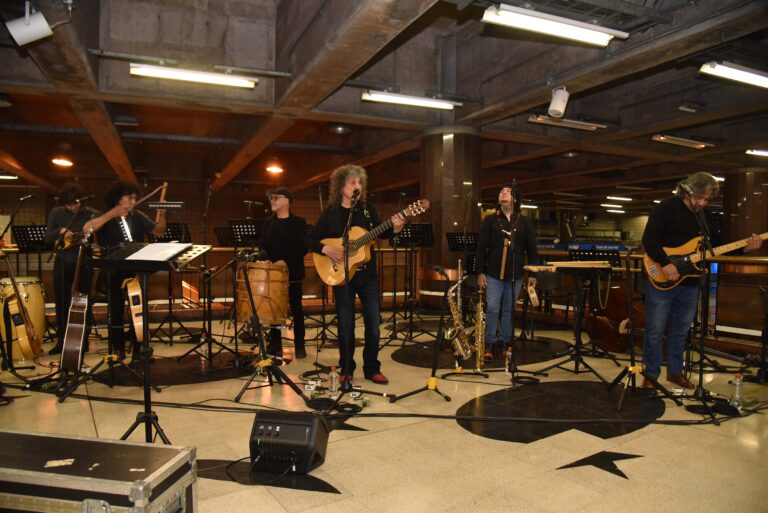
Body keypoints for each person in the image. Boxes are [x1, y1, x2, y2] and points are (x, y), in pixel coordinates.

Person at [642, 172, 763, 389]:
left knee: (681, 331)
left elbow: (717, 248)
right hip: (662, 276)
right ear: (689, 192)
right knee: (655, 330)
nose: (704, 202)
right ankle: (650, 376)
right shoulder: (666, 207)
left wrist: (745, 247)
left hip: (690, 282)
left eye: (707, 199)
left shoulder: (704, 216)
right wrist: (665, 263)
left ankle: (675, 372)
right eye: (701, 197)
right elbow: (649, 238)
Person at [307, 165, 404, 384]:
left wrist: (396, 227)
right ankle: (346, 369)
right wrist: (327, 249)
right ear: (341, 187)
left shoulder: (368, 210)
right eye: (352, 182)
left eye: (360, 182)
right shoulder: (331, 212)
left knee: (373, 324)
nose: (357, 186)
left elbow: (384, 231)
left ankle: (372, 368)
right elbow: (310, 239)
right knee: (345, 325)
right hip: (342, 277)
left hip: (368, 276)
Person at [83, 181, 166, 362]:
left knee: (139, 309)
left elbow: (159, 231)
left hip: (136, 266)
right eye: (129, 197)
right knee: (116, 309)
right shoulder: (102, 215)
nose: (133, 201)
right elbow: (87, 229)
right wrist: (113, 213)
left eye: (135, 198)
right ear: (117, 198)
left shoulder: (138, 216)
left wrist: (163, 213)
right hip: (113, 268)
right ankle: (118, 348)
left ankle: (139, 350)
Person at [476, 184, 538, 360]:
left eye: (508, 192)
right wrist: (480, 272)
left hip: (515, 275)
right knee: (493, 308)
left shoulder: (524, 221)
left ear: (515, 200)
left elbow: (532, 249)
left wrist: (533, 274)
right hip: (494, 274)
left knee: (508, 310)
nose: (503, 193)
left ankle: (505, 342)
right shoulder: (490, 220)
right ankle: (490, 343)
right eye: (501, 192)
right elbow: (481, 248)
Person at [44, 183, 97, 355]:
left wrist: (86, 238)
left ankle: (83, 339)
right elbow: (47, 237)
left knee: (83, 302)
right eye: (69, 204)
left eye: (75, 203)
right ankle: (62, 340)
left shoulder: (91, 214)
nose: (72, 207)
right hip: (62, 262)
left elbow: (97, 239)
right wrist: (61, 231)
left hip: (84, 263)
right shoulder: (57, 213)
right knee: (62, 302)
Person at [258, 186, 308, 359]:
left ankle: (300, 344)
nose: (272, 201)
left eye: (276, 197)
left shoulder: (299, 223)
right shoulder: (268, 223)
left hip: (293, 274)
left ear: (287, 200)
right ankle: (275, 343)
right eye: (271, 198)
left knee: (296, 309)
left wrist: (285, 262)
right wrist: (267, 258)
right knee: (274, 311)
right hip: (273, 274)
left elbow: (303, 247)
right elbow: (262, 244)